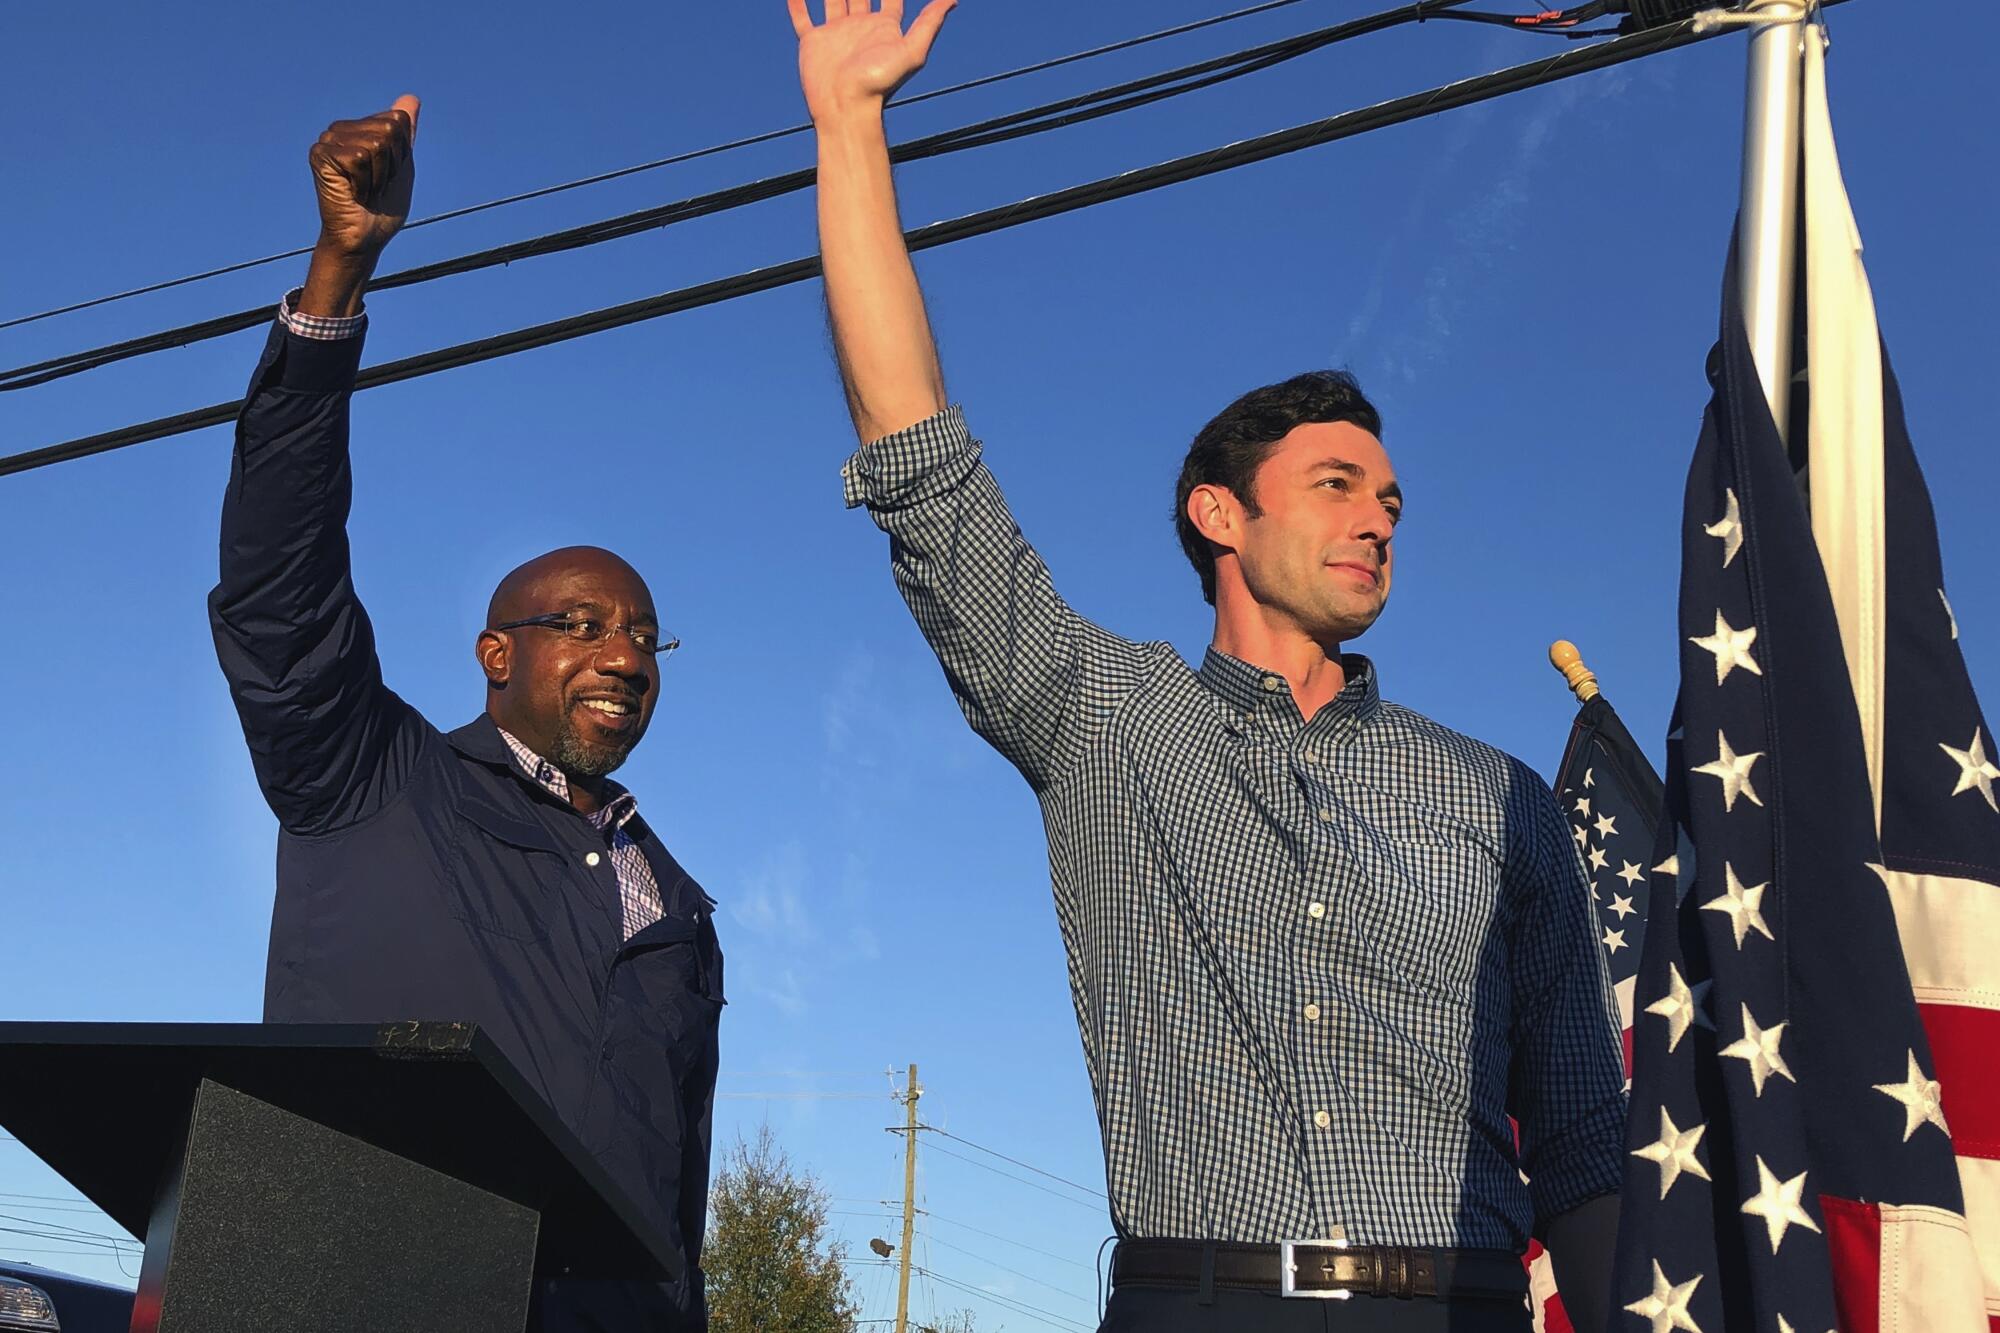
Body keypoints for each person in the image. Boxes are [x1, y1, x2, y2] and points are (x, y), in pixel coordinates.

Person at [788, 4, 1625, 1330]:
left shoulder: (1499, 797)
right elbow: (918, 456)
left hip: (1464, 1306)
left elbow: (1582, 1144)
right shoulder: (1106, 715)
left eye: (1393, 501)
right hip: (1203, 1302)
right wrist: (850, 127)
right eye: (1338, 484)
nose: (1378, 519)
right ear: (1219, 515)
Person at [207, 95, 722, 1332]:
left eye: (644, 635)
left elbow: (672, 1194)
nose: (624, 653)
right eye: (585, 623)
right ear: (497, 652)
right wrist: (337, 283)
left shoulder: (678, 906)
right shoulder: (372, 779)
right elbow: (282, 589)